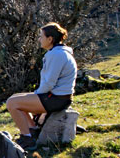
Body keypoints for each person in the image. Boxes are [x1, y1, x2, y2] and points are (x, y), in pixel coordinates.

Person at [6, 22, 77, 150]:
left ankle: (27, 138)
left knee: (12, 103)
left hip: (56, 99)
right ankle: (33, 130)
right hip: (59, 97)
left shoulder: (56, 55)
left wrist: (36, 95)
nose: (39, 39)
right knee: (16, 98)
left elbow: (49, 83)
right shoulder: (59, 52)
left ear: (50, 39)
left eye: (41, 36)